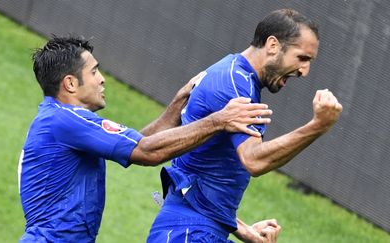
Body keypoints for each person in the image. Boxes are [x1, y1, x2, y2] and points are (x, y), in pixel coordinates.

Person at [17, 36, 274, 242]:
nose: (102, 79)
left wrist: (176, 106)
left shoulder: (62, 120)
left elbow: (139, 142)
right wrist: (219, 120)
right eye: (94, 72)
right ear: (71, 84)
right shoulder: (64, 120)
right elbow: (147, 152)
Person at [147, 8, 343, 243]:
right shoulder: (234, 84)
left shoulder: (237, 77)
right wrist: (317, 126)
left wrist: (238, 226)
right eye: (302, 58)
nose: (304, 71)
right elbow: (254, 160)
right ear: (273, 45)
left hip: (198, 228)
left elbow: (198, 176)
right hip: (189, 233)